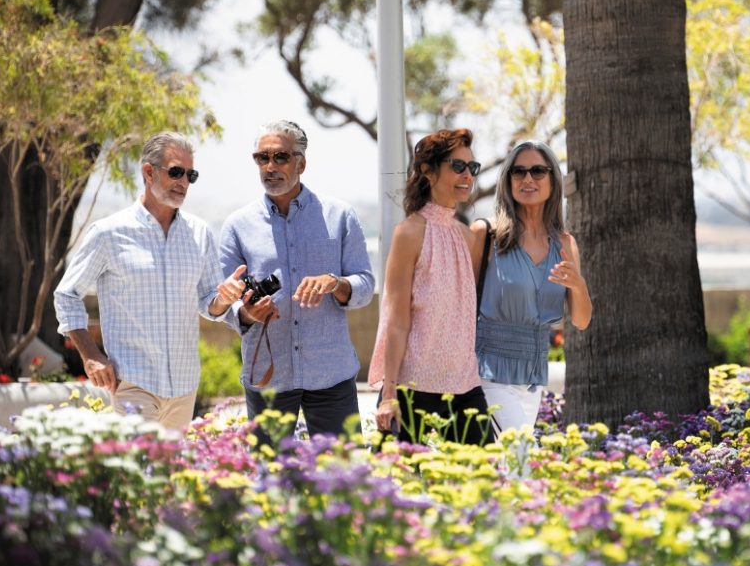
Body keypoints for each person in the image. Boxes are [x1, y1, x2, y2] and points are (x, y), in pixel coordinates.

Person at [54, 132, 243, 430]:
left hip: (184, 387)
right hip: (133, 382)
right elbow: (66, 295)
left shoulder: (200, 233)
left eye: (190, 175)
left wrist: (225, 298)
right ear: (148, 171)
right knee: (140, 474)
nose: (183, 182)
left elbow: (209, 302)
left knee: (169, 476)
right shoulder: (109, 233)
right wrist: (91, 356)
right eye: (176, 171)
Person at [218, 120, 375, 445]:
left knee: (343, 478)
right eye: (262, 158)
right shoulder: (236, 226)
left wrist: (335, 283)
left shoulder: (340, 216)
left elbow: (365, 284)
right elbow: (223, 299)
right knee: (270, 482)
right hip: (268, 376)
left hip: (330, 373)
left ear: (301, 163)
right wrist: (246, 313)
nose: (270, 166)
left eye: (281, 157)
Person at [369, 128, 492, 445]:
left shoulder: (466, 237)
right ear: (427, 170)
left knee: (484, 485)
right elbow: (395, 321)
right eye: (458, 166)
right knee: (396, 488)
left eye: (472, 168)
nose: (467, 176)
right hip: (414, 386)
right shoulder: (409, 233)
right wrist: (390, 394)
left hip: (465, 384)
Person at [470, 141, 592, 432]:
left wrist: (579, 285)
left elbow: (581, 320)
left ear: (553, 179)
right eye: (518, 172)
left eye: (538, 171)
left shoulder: (564, 244)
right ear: (507, 179)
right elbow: (462, 307)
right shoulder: (487, 235)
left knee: (510, 471)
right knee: (522, 459)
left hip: (533, 379)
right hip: (486, 373)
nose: (527, 179)